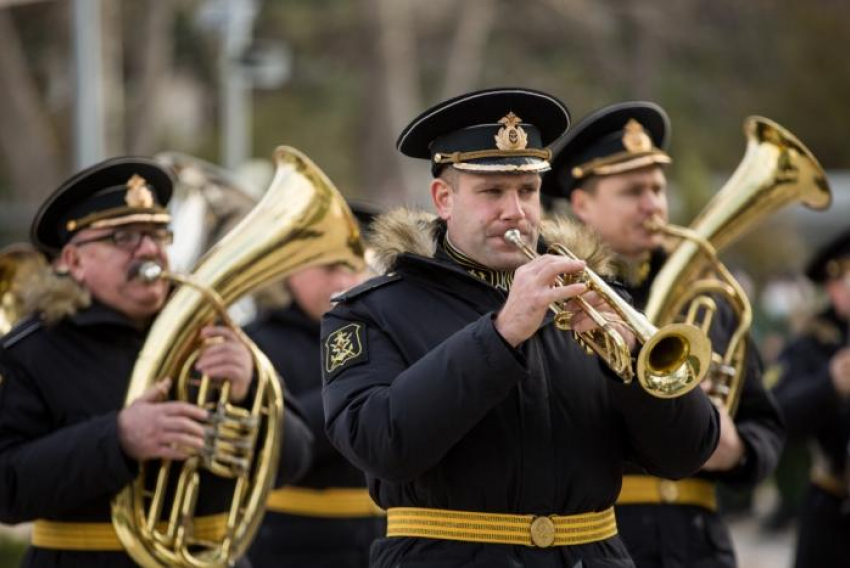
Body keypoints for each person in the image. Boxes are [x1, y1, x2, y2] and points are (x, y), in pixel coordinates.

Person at [319, 87, 720, 568]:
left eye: (528, 191)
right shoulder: (372, 311)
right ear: (443, 199)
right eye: (492, 192)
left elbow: (687, 453)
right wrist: (501, 333)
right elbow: (380, 443)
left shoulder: (590, 295)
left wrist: (632, 357)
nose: (516, 211)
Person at [0, 156, 314, 568]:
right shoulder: (30, 351)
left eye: (158, 233)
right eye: (123, 237)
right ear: (73, 261)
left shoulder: (210, 331)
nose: (149, 249)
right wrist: (118, 439)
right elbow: (6, 490)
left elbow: (296, 461)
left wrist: (252, 386)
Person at [543, 101, 784, 568]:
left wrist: (736, 449)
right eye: (633, 191)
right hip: (597, 538)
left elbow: (766, 423)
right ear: (581, 203)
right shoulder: (559, 298)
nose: (653, 204)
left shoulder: (709, 294)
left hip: (696, 543)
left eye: (657, 187)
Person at [246, 203, 386, 568]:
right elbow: (268, 443)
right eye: (329, 267)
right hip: (290, 542)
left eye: (355, 266)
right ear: (292, 269)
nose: (344, 283)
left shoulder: (381, 337)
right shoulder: (255, 344)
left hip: (380, 538)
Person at [771, 227, 850, 568]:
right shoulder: (814, 341)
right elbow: (777, 415)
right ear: (833, 286)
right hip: (835, 513)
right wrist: (828, 384)